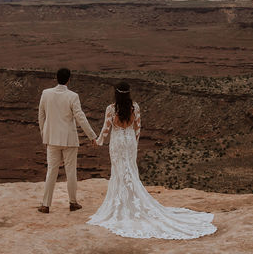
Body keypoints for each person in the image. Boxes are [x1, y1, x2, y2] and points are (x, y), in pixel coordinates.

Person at [88, 81, 216, 239]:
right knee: (131, 172)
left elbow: (106, 129)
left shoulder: (111, 109)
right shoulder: (134, 107)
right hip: (129, 142)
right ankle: (130, 203)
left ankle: (122, 205)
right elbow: (137, 128)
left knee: (120, 172)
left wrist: (98, 142)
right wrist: (134, 144)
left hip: (117, 144)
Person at [37, 67, 97, 214]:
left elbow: (41, 116)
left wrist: (45, 135)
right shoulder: (73, 96)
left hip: (51, 139)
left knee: (51, 171)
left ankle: (45, 205)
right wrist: (92, 136)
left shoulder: (46, 94)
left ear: (56, 78)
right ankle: (73, 202)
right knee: (71, 172)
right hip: (69, 140)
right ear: (69, 79)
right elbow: (80, 117)